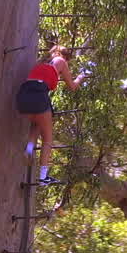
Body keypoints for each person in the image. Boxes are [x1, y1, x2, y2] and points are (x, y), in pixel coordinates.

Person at [15, 44, 84, 186]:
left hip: (23, 97)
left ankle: (29, 148)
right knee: (47, 140)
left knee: (37, 124)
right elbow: (72, 86)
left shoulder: (41, 63)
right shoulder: (61, 61)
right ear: (64, 56)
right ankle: (43, 177)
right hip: (39, 96)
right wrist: (80, 78)